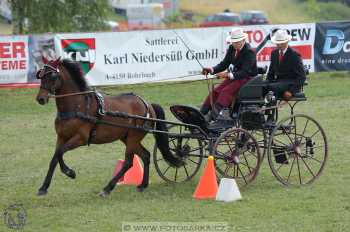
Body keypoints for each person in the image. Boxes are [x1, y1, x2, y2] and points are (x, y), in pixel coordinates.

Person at [200, 27, 258, 123]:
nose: (234, 44)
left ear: (243, 40)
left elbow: (245, 72)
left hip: (247, 79)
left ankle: (215, 115)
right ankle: (202, 113)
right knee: (216, 91)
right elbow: (224, 64)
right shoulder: (232, 48)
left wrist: (227, 75)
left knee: (225, 92)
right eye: (233, 42)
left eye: (236, 42)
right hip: (235, 77)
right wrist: (211, 69)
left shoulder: (249, 52)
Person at [266, 29, 306, 98]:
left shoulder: (294, 55)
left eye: (282, 42)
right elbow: (271, 73)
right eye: (277, 42)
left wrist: (291, 91)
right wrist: (266, 82)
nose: (279, 45)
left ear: (287, 41)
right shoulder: (274, 53)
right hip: (277, 83)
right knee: (260, 86)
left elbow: (302, 76)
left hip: (289, 83)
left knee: (272, 87)